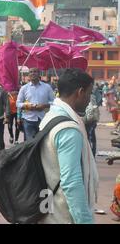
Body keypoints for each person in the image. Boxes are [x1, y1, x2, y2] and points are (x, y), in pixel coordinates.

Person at [38, 69, 99, 224]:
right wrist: (85, 220)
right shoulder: (68, 130)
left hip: (50, 206)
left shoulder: (52, 116)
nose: (89, 100)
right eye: (89, 93)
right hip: (63, 214)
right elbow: (71, 182)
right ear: (80, 92)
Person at [16, 68, 55, 141]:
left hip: (43, 119)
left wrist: (44, 105)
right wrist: (29, 106)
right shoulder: (24, 88)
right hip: (28, 120)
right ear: (28, 75)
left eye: (35, 72)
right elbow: (18, 103)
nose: (33, 73)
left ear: (39, 74)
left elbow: (54, 102)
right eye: (31, 72)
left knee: (42, 142)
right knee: (30, 144)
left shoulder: (47, 87)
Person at [83, 86, 100, 157]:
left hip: (88, 119)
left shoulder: (86, 95)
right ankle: (92, 154)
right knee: (91, 136)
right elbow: (98, 100)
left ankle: (90, 155)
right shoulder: (93, 93)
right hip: (92, 118)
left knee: (88, 137)